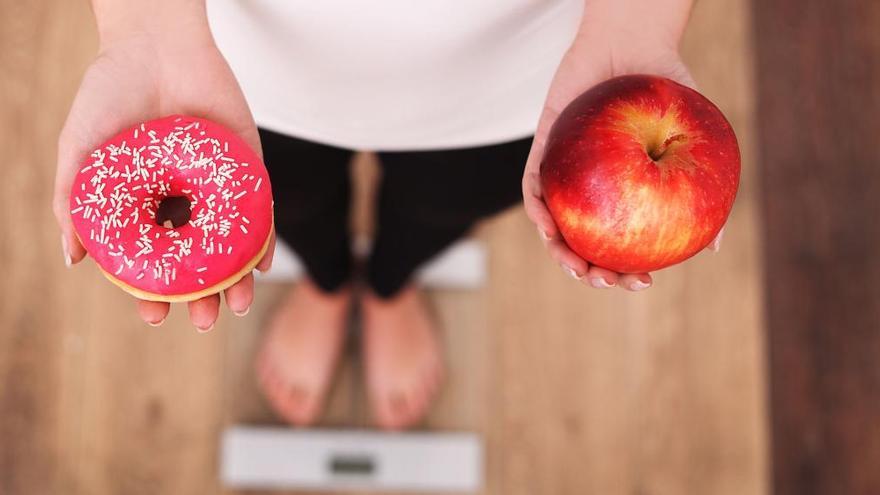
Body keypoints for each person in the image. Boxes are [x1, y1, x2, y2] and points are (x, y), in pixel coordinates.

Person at [54, 0, 720, 430]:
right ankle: (325, 278)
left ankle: (390, 283)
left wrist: (634, 21)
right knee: (289, 198)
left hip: (529, 62)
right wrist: (145, 25)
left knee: (444, 200)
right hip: (225, 50)